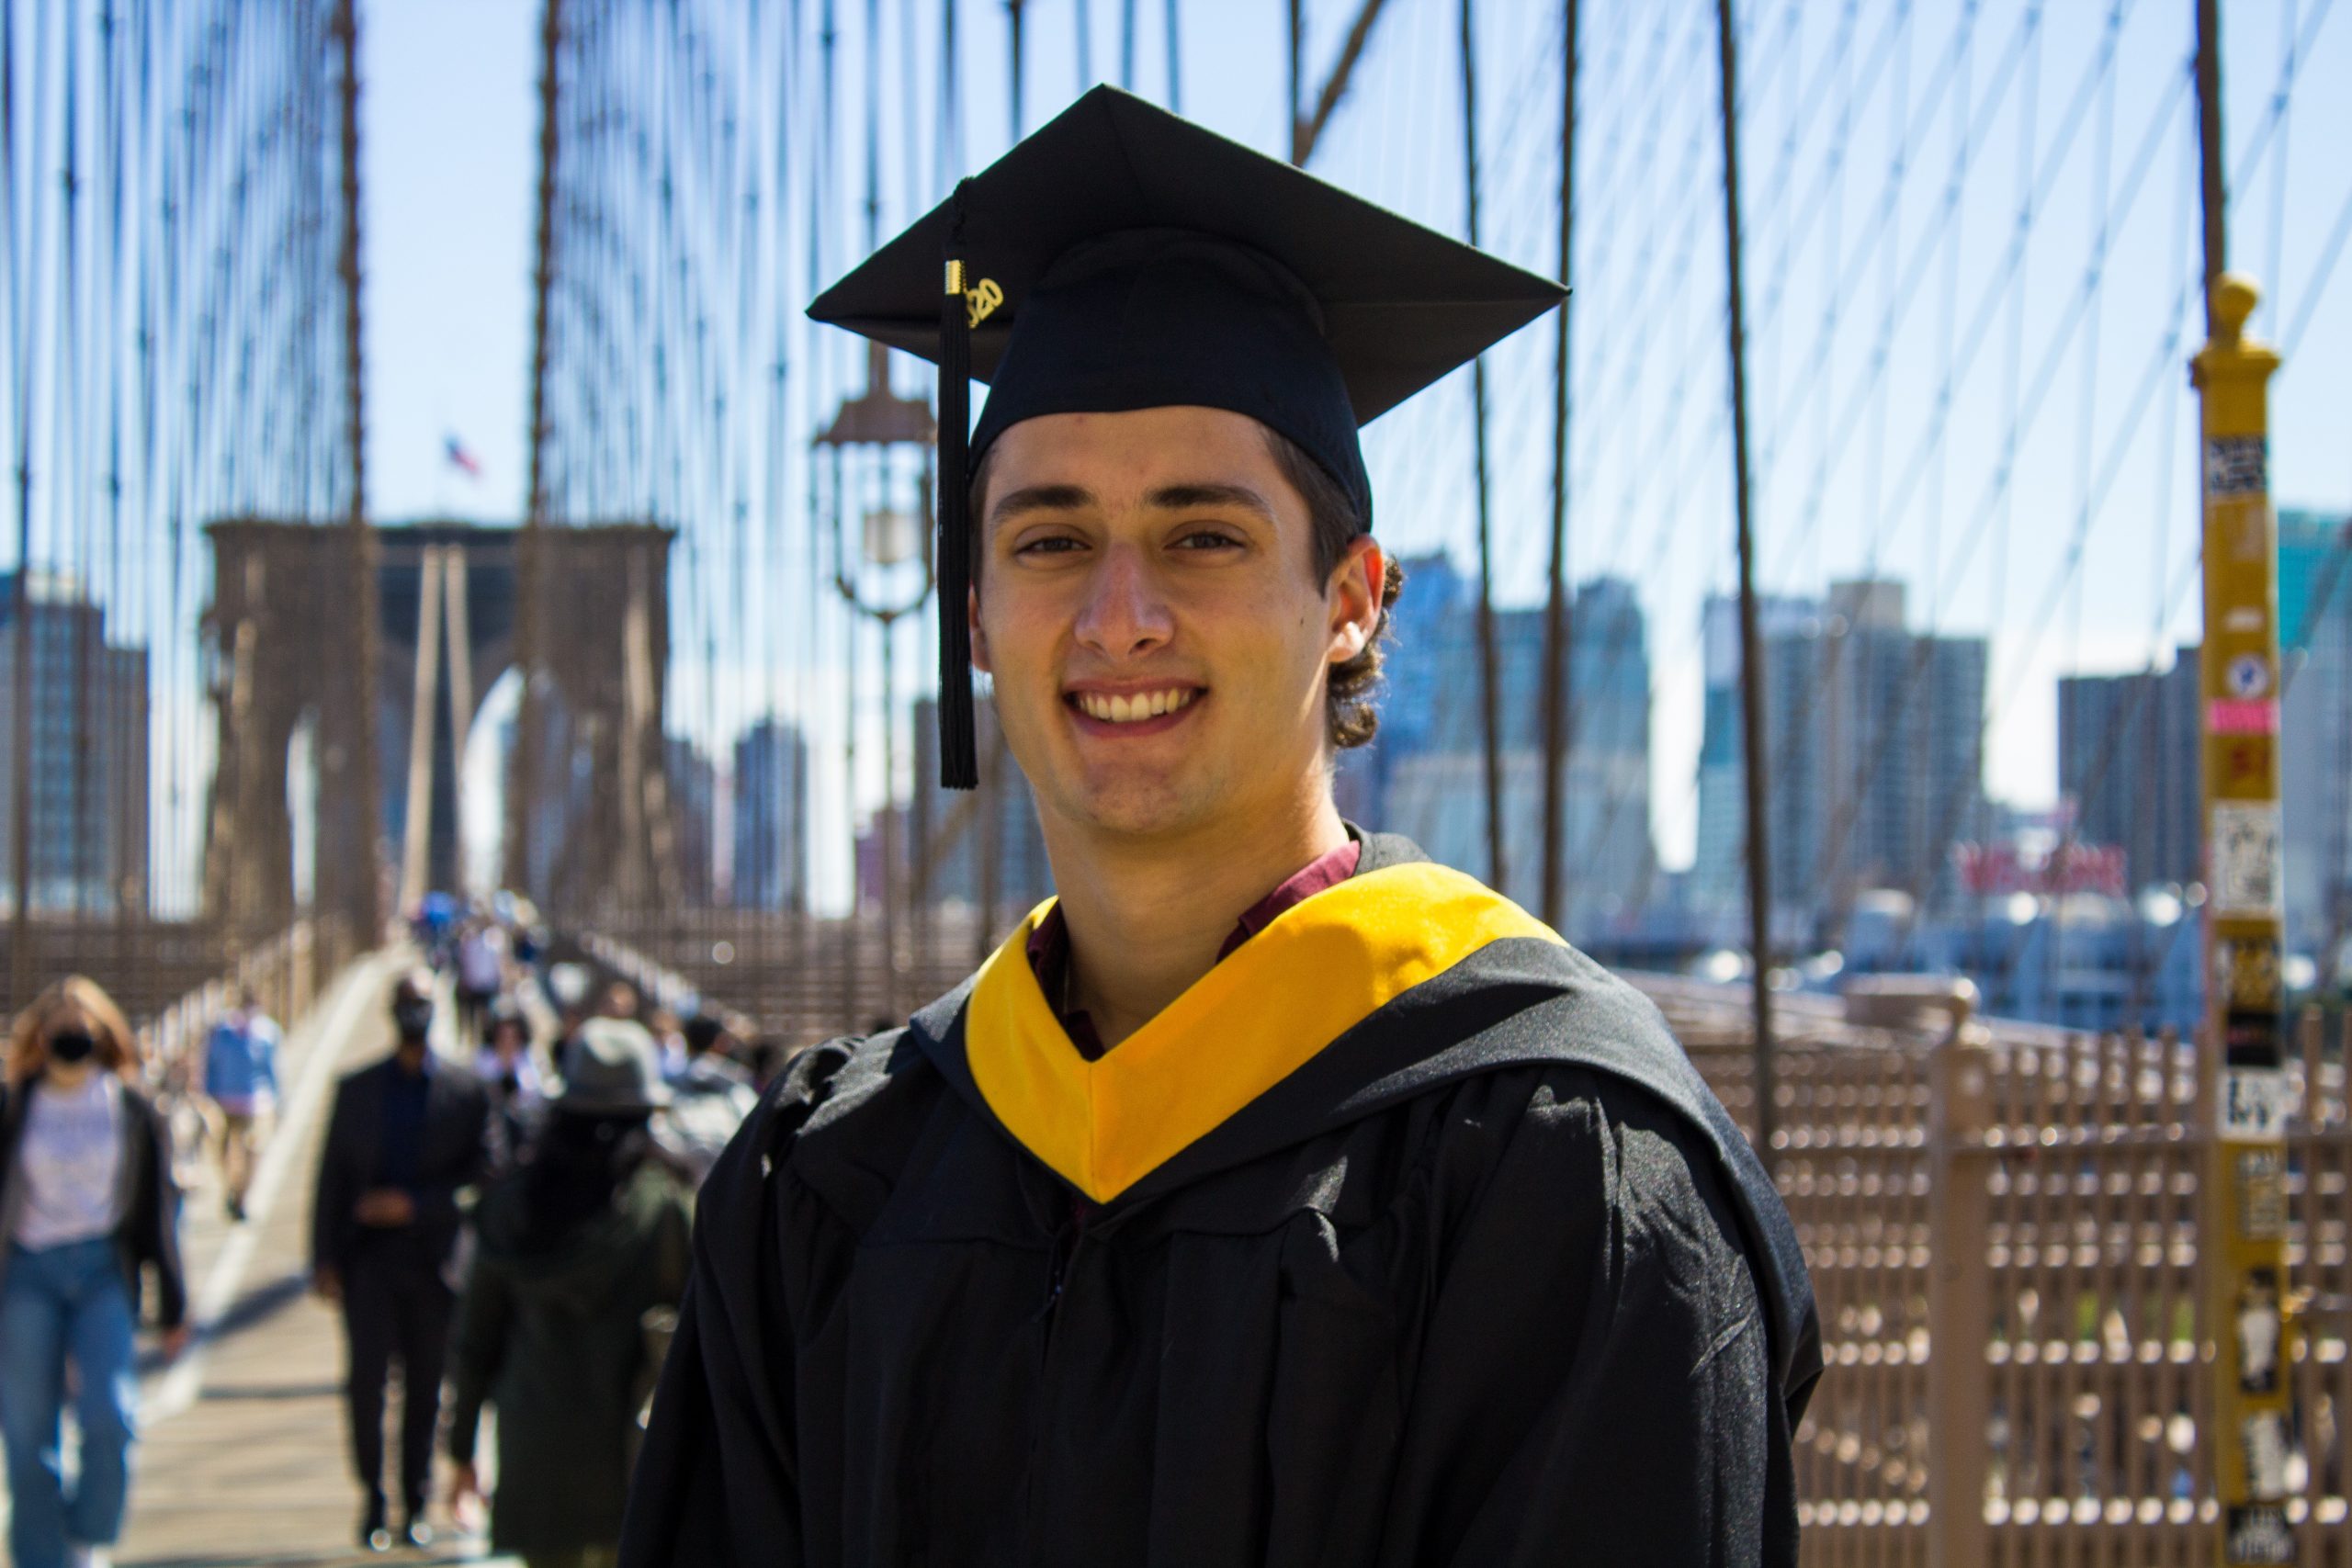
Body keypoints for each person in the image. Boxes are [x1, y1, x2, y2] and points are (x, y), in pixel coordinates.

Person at [622, 89, 1819, 1567]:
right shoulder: (829, 1181)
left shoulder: (1564, 1177)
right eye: (1051, 538)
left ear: (1352, 599)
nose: (1122, 615)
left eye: (1205, 534)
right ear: (976, 613)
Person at [447, 1019, 693, 1568]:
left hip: (536, 1452)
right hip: (632, 1456)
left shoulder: (511, 1207)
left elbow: (476, 1340)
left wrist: (462, 1451)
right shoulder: (665, 1207)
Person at [1, 976, 190, 1568]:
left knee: (111, 1416)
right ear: (40, 1036)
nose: (70, 1036)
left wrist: (174, 1306)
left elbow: (158, 1212)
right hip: (29, 1272)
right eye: (58, 1026)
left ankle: (87, 1533)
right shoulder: (14, 1106)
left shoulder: (130, 1107)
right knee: (28, 1434)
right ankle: (40, 1558)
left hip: (102, 1271)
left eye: (81, 1027)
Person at [312, 969, 490, 1553]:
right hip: (368, 1264)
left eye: (422, 1003)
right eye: (405, 1003)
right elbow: (332, 1178)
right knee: (366, 1386)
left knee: (426, 1390)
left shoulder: (467, 1091)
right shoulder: (357, 1088)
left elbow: (484, 1180)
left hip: (437, 1265)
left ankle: (414, 1502)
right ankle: (372, 1501)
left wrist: (415, 1205)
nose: (414, 1013)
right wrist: (324, 1258)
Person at [198, 987, 280, 1221]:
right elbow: (211, 1063)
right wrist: (208, 1093)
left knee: (251, 1151)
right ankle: (232, 1187)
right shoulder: (223, 1032)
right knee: (222, 1151)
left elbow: (272, 1069)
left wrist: (277, 1100)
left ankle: (242, 1196)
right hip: (224, 1102)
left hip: (256, 1104)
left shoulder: (267, 1033)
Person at [655, 1015, 756, 1184]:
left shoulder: (670, 1082)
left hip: (686, 1173)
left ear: (686, 1042)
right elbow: (753, 1128)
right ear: (719, 1042)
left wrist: (687, 1159)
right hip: (730, 1177)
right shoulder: (738, 1081)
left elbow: (659, 1130)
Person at [472, 1001, 546, 1177]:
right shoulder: (483, 1060)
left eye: (513, 1034)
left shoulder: (530, 1061)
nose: (508, 1039)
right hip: (490, 1128)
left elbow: (536, 1096)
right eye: (503, 1033)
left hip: (523, 1128)